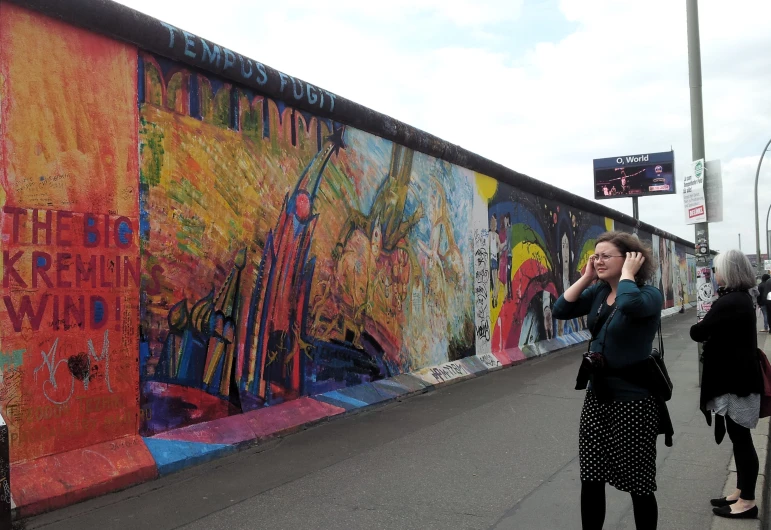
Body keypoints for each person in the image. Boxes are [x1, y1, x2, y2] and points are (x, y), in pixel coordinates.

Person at [553, 231, 666, 530]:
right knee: (591, 477)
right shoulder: (599, 294)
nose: (598, 261)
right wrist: (587, 277)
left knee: (638, 484)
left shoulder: (649, 295)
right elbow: (560, 309)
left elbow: (629, 305)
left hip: (634, 403)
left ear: (630, 258)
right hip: (598, 397)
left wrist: (627, 274)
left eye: (605, 256)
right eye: (595, 255)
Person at [690, 250, 763, 520]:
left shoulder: (730, 301)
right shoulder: (743, 298)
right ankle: (741, 490)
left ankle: (747, 502)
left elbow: (698, 332)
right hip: (741, 378)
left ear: (729, 272)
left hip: (737, 382)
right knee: (739, 438)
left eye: (718, 269)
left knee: (741, 440)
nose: (715, 273)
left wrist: (703, 320)